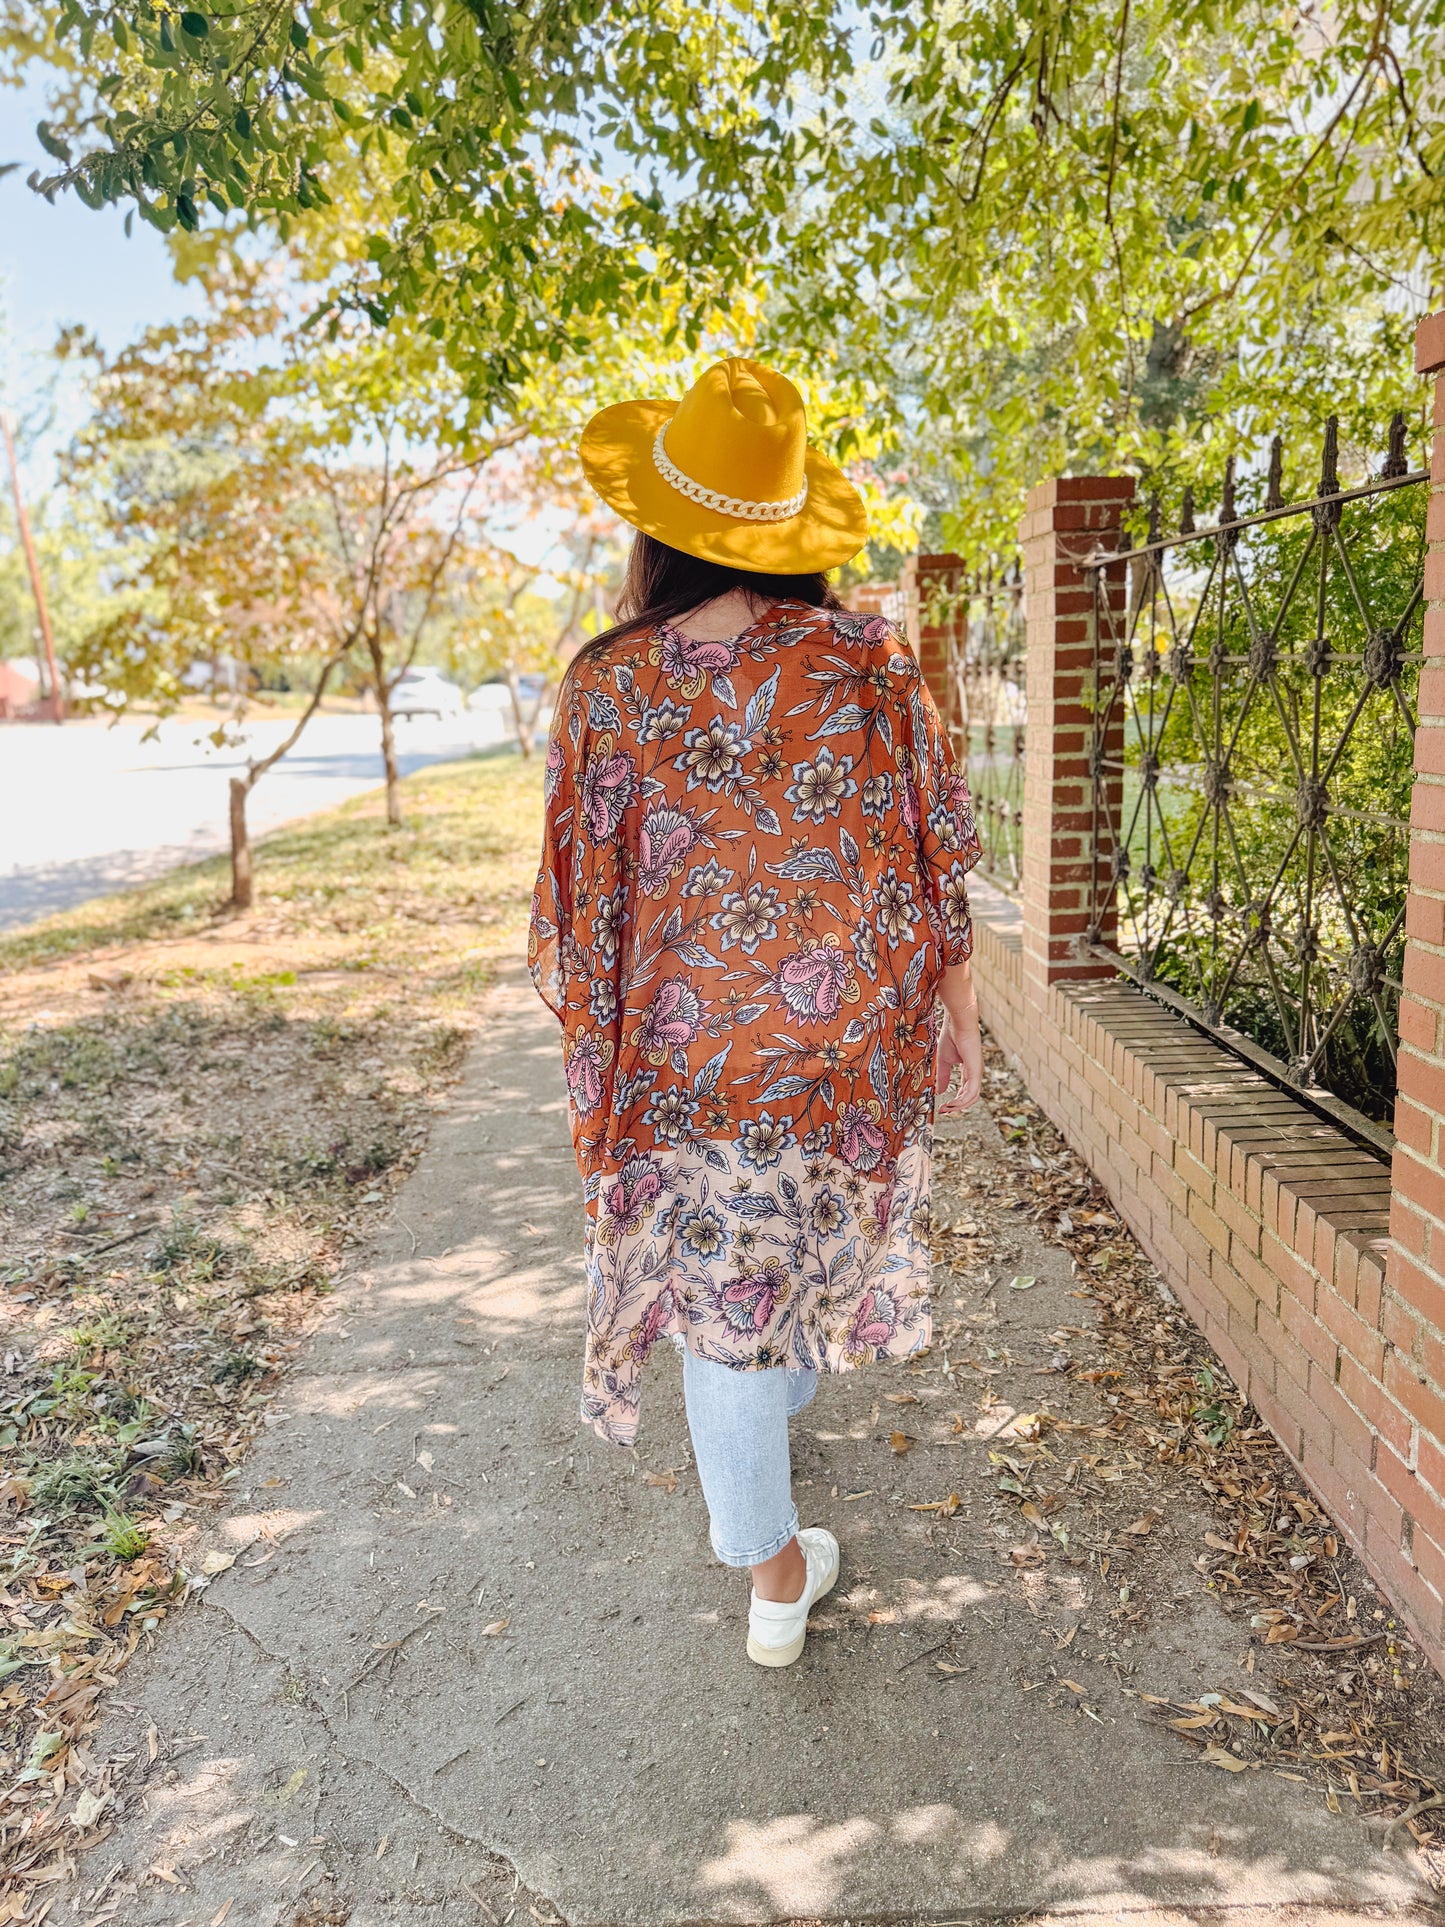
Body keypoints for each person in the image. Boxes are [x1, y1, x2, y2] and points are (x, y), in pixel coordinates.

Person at [528, 358, 983, 1667]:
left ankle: (772, 1562)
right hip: (839, 1051)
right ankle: (773, 1564)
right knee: (767, 1293)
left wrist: (603, 1058)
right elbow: (936, 861)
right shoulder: (869, 661)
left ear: (658, 528)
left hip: (689, 1062)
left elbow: (579, 910)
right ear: (790, 528)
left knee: (731, 1312)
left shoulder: (608, 683)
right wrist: (958, 1022)